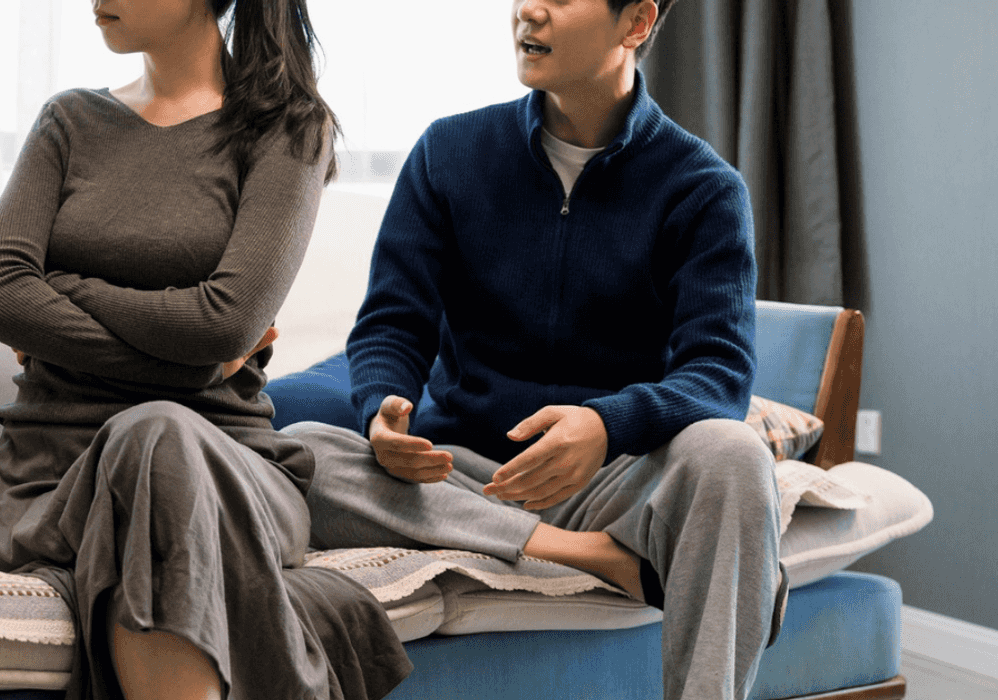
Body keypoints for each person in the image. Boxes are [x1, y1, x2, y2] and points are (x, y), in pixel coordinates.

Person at [283, 1, 788, 699]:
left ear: (635, 22)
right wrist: (380, 411)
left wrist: (607, 424)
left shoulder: (702, 189)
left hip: (611, 481)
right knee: (299, 449)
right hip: (459, 474)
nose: (527, 10)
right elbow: (392, 325)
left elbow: (717, 375)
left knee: (734, 456)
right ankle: (594, 559)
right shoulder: (448, 153)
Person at [0, 1, 412, 699]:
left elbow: (223, 326)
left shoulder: (287, 129)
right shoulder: (69, 122)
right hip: (49, 480)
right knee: (153, 428)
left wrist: (59, 287)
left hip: (230, 473)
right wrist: (187, 364)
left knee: (157, 432)